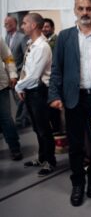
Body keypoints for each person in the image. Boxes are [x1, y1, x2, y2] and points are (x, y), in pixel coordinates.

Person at [48, 0, 91, 207]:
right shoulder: (65, 37)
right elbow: (56, 69)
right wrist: (54, 94)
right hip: (73, 99)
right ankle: (78, 183)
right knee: (76, 145)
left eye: (89, 8)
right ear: (75, 11)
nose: (85, 12)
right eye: (81, 9)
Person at [15, 13, 56, 176]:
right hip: (31, 90)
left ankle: (50, 161)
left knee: (44, 129)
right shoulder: (32, 43)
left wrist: (18, 87)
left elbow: (34, 75)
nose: (22, 26)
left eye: (24, 23)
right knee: (37, 129)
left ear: (33, 26)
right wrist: (23, 87)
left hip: (40, 91)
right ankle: (41, 158)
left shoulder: (42, 47)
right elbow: (27, 70)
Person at [4, 15, 31, 129]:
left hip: (20, 72)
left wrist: (22, 73)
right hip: (9, 72)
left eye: (8, 23)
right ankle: (25, 119)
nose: (6, 26)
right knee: (17, 98)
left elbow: (26, 55)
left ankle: (20, 120)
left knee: (20, 98)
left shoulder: (22, 37)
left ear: (15, 24)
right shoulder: (6, 38)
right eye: (5, 24)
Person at [0, 36, 22, 160]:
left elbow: (8, 57)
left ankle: (15, 148)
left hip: (0, 86)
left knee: (6, 119)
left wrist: (13, 74)